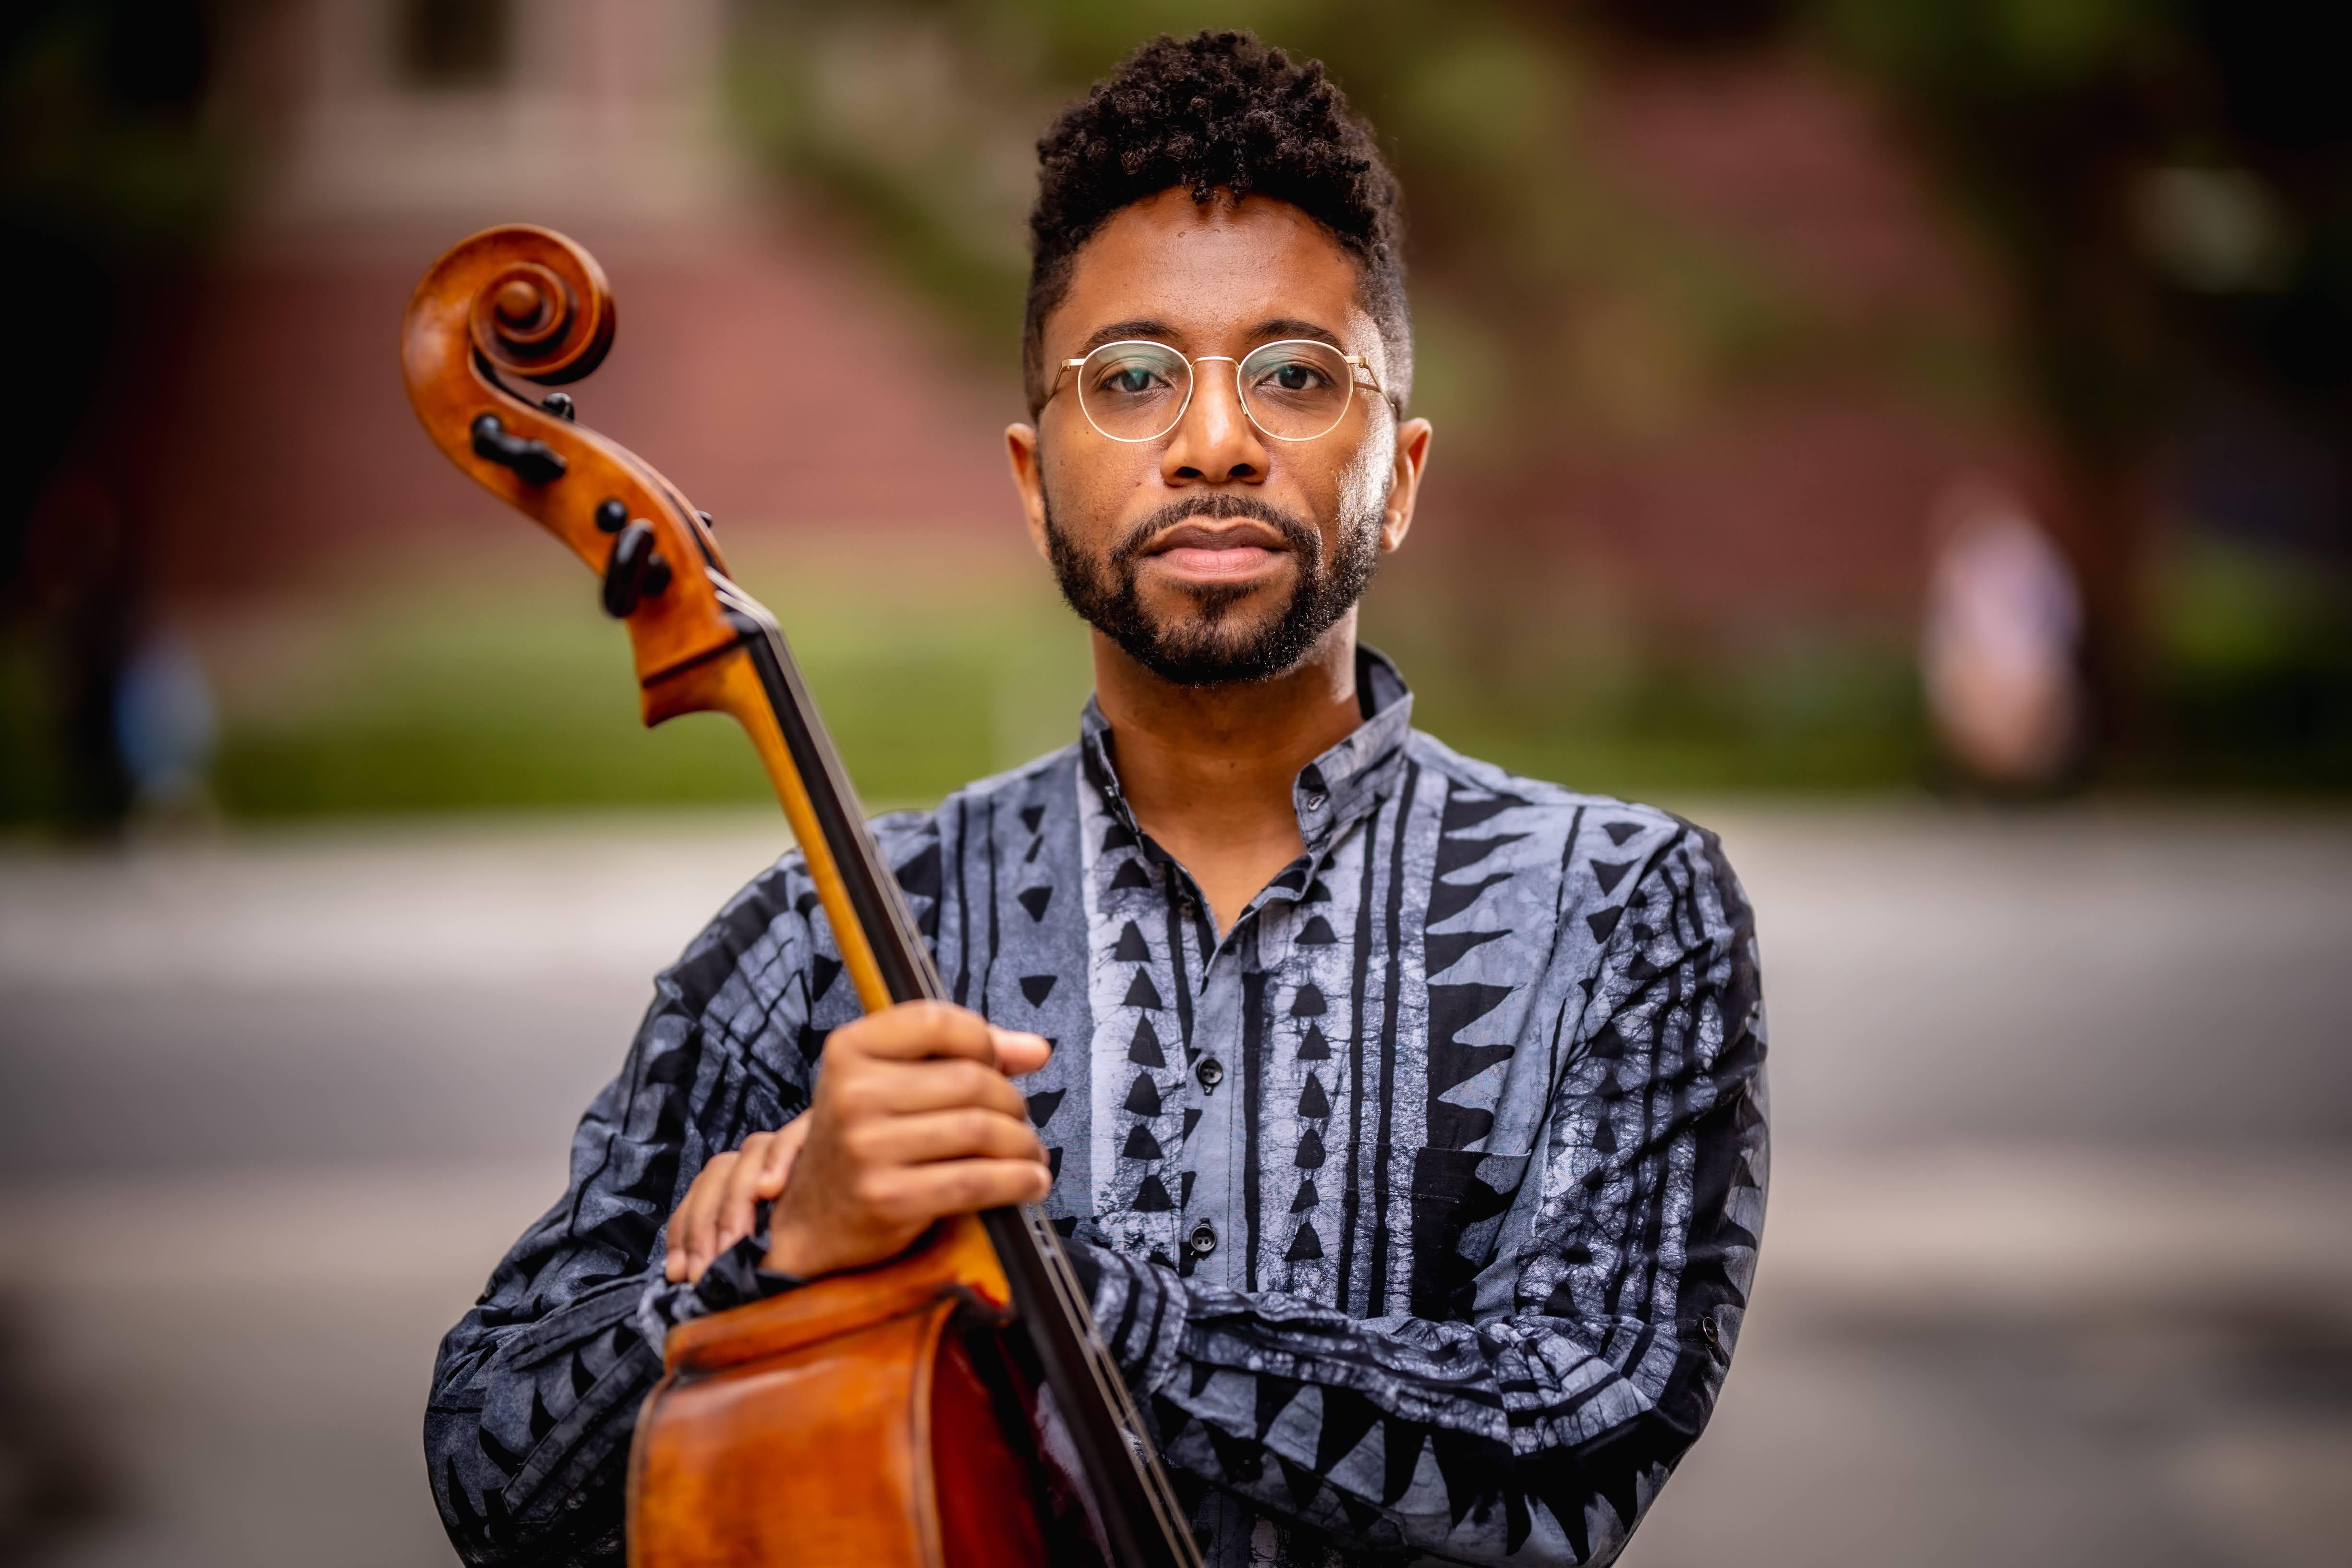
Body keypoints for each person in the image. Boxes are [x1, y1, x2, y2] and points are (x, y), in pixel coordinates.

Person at [426, 31, 1767, 1568]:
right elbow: (491, 1469)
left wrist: (1029, 1274)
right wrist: (774, 1259)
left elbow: (1571, 1437)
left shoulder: (1623, 909)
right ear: (1030, 478)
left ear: (1398, 475)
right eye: (1130, 378)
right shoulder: (819, 938)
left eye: (1294, 375)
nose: (1214, 443)